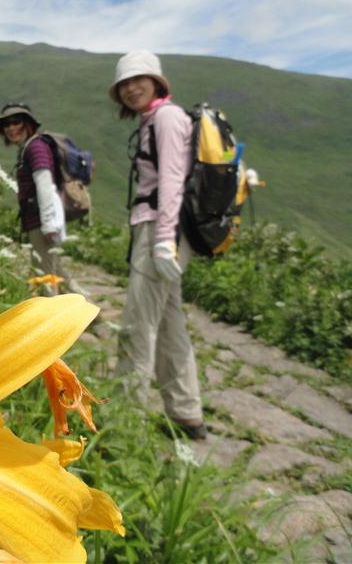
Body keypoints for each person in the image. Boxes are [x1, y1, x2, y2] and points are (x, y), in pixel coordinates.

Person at [108, 51, 207, 440]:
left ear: (156, 81)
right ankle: (186, 413)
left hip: (160, 232)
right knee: (169, 324)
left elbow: (171, 181)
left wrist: (164, 240)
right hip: (163, 231)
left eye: (139, 80)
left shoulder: (165, 118)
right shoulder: (159, 119)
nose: (131, 88)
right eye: (124, 84)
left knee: (137, 325)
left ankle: (121, 425)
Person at [0, 103, 87, 297]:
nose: (10, 128)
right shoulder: (29, 147)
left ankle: (54, 319)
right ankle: (89, 310)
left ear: (28, 124)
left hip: (40, 221)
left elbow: (45, 185)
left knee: (45, 274)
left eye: (16, 122)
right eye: (6, 124)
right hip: (38, 220)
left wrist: (48, 224)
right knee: (54, 269)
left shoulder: (36, 147)